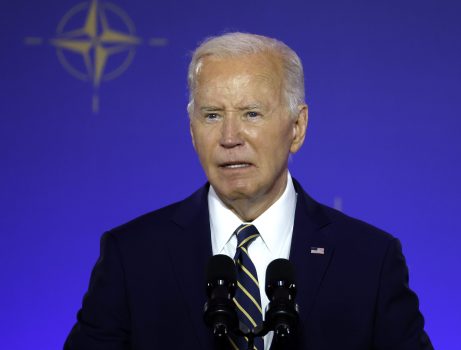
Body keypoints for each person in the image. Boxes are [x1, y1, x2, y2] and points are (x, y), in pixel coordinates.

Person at [65, 32, 433, 350]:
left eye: (251, 114)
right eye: (212, 115)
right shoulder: (132, 256)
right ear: (192, 131)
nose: (229, 138)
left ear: (297, 127)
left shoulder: (369, 259)